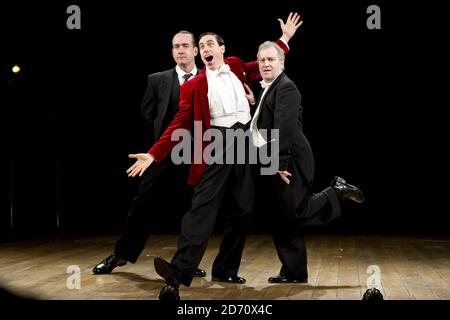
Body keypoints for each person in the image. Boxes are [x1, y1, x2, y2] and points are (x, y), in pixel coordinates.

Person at [126, 13, 303, 300]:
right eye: (203, 45)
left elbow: (262, 65)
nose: (206, 48)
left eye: (211, 44)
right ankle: (179, 271)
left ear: (222, 49)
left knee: (243, 209)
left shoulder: (235, 65)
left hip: (244, 140)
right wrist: (153, 154)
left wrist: (285, 39)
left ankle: (225, 269)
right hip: (218, 143)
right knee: (203, 208)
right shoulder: (193, 85)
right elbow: (180, 121)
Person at [92, 31, 206, 278]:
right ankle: (121, 254)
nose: (180, 50)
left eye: (185, 46)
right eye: (176, 46)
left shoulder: (210, 78)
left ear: (196, 50)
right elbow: (148, 115)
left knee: (195, 209)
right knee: (142, 204)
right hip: (163, 154)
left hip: (198, 155)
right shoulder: (157, 80)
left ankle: (187, 262)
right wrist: (160, 146)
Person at [249, 41, 364, 283]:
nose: (266, 64)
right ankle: (293, 270)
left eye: (271, 59)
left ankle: (336, 193)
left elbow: (285, 127)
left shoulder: (286, 88)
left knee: (294, 212)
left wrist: (278, 163)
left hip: (290, 158)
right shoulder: (270, 88)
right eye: (262, 60)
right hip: (277, 157)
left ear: (282, 62)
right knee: (281, 216)